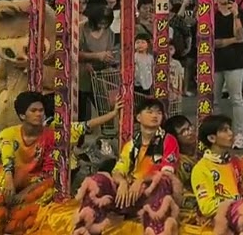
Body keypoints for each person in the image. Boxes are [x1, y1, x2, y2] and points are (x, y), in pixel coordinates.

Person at [0, 91, 119, 235]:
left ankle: (11, 223)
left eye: (41, 111)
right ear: (22, 116)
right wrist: (9, 180)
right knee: (0, 181)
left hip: (41, 180)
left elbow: (84, 126)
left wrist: (112, 114)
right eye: (33, 111)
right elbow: (7, 160)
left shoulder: (52, 132)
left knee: (36, 198)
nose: (39, 114)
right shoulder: (8, 134)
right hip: (15, 176)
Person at [71, 98, 182, 235]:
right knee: (98, 180)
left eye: (159, 113)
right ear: (138, 117)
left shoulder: (169, 140)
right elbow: (118, 170)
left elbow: (167, 173)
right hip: (129, 194)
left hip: (150, 195)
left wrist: (141, 181)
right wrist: (122, 182)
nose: (155, 115)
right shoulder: (131, 144)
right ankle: (85, 230)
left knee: (163, 181)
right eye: (150, 112)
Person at [214, 0, 243, 149]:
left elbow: (241, 36)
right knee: (213, 100)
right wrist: (232, 41)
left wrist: (236, 15)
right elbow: (212, 42)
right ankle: (217, 133)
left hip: (235, 62)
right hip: (214, 63)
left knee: (236, 98)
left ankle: (238, 135)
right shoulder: (211, 16)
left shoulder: (242, 14)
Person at [79, 7, 116, 121]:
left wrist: (108, 57)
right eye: (100, 22)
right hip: (82, 75)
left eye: (106, 22)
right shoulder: (81, 29)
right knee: (82, 113)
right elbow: (74, 53)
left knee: (105, 111)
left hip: (100, 76)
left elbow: (110, 50)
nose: (103, 25)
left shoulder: (109, 32)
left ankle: (107, 135)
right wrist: (96, 56)